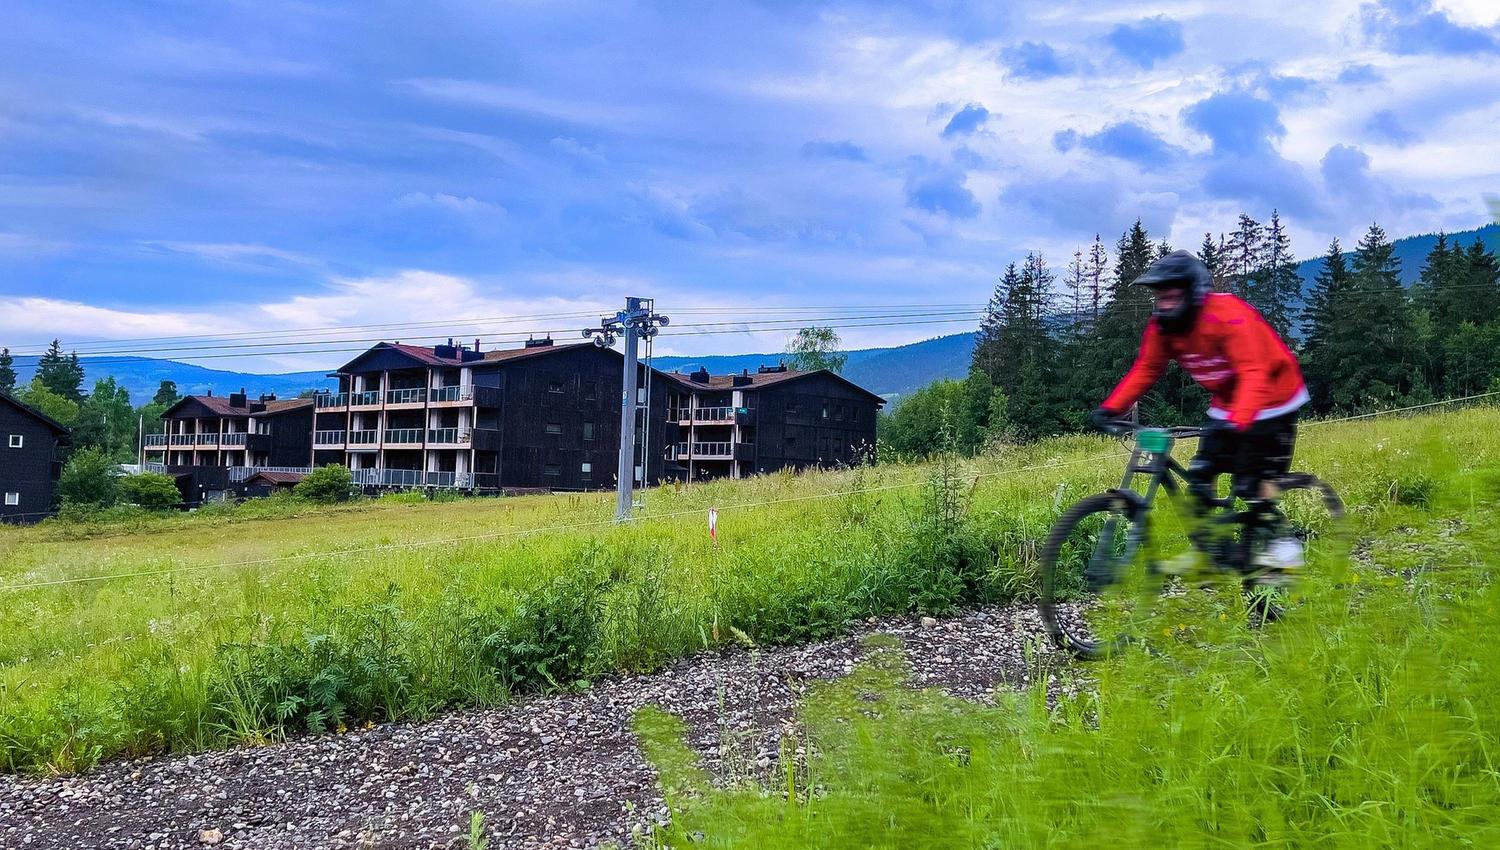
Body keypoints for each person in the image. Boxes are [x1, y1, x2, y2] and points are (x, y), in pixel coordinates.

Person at [1090, 250, 1309, 574]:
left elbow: (1254, 372)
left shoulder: (1228, 315)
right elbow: (1147, 368)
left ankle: (1284, 542)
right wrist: (1112, 407)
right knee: (1201, 474)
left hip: (1275, 397)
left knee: (1252, 480)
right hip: (1228, 402)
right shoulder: (1163, 327)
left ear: (1193, 291)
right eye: (1159, 296)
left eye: (1172, 294)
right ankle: (1210, 550)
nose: (1164, 302)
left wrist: (1240, 421)